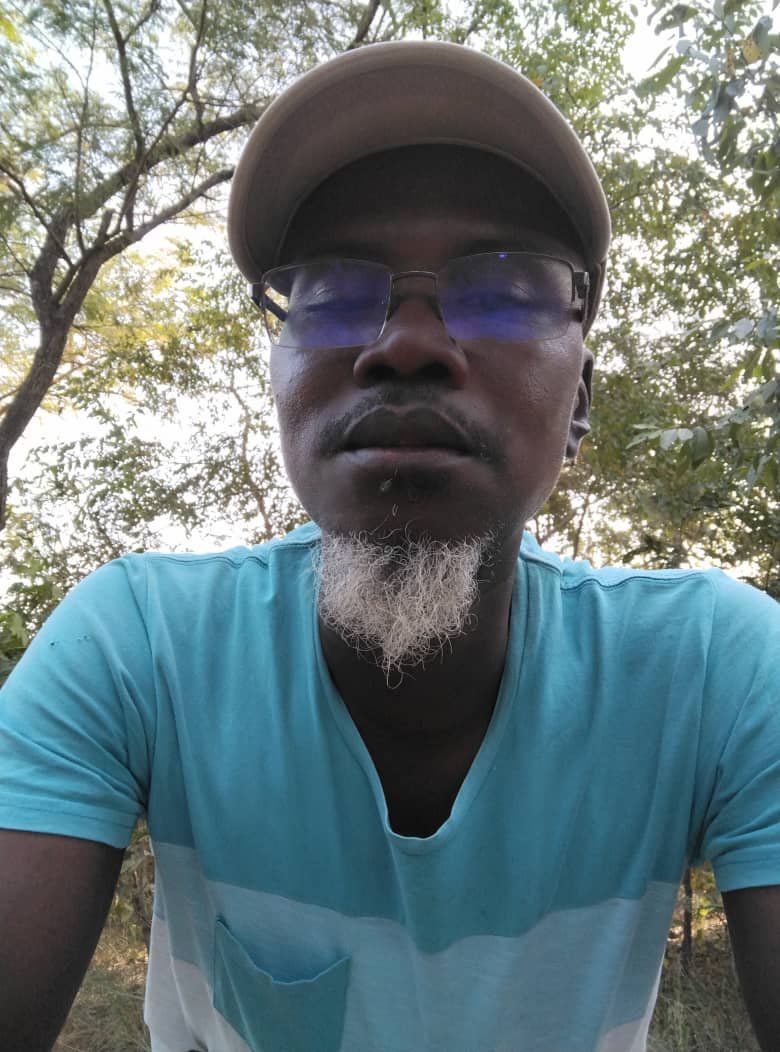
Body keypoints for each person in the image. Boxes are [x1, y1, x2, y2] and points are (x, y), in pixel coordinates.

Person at [0, 40, 778, 1052]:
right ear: (276, 382)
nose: (406, 344)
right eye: (332, 291)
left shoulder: (716, 667)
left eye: (502, 286)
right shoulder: (138, 646)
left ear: (580, 402)